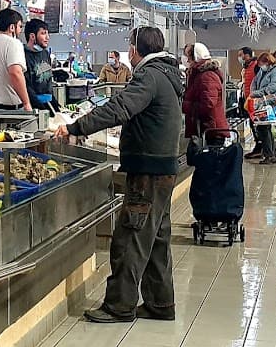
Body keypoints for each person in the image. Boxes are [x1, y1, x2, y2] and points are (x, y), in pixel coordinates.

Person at [51, 26, 184, 323]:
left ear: (136, 49)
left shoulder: (149, 76)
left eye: (129, 45)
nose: (128, 51)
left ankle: (119, 306)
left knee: (130, 240)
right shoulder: (167, 74)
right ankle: (160, 304)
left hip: (148, 171)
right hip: (161, 168)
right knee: (156, 241)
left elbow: (120, 107)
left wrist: (76, 127)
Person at [183, 43, 229, 141]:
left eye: (189, 57)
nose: (187, 61)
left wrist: (187, 106)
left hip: (211, 130)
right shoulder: (201, 74)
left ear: (196, 58)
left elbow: (208, 104)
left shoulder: (206, 76)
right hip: (208, 129)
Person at [248, 51, 276, 164]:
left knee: (264, 129)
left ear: (268, 62)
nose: (261, 67)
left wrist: (256, 93)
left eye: (262, 64)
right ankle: (271, 155)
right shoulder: (262, 71)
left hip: (273, 104)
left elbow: (272, 88)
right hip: (263, 104)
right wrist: (254, 91)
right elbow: (254, 81)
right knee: (264, 129)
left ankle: (269, 155)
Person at [23, 18, 55, 110]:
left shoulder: (45, 54)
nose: (47, 37)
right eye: (43, 33)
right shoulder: (22, 55)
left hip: (49, 103)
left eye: (47, 33)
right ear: (32, 36)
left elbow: (48, 81)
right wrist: (39, 107)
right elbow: (27, 86)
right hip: (33, 106)